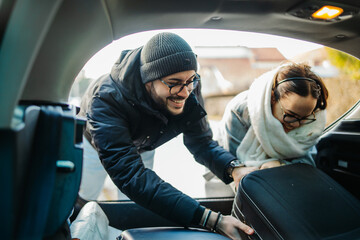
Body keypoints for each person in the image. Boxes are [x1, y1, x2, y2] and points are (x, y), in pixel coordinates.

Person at [78, 32, 254, 239]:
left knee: (135, 203)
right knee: (84, 197)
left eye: (191, 80)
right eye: (174, 82)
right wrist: (211, 220)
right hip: (94, 144)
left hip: (144, 145)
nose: (185, 93)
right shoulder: (106, 98)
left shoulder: (187, 85)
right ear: (148, 80)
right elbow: (131, 175)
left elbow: (201, 142)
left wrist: (234, 168)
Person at [216, 62, 328, 188]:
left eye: (305, 118)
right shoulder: (240, 111)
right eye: (290, 115)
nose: (297, 124)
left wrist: (280, 165)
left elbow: (309, 162)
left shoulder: (314, 119)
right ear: (272, 98)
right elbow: (236, 168)